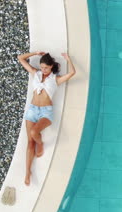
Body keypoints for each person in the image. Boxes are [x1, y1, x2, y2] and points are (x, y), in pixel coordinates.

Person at [17, 51, 76, 186]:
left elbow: (72, 73)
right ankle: (28, 172)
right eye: (42, 67)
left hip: (45, 112)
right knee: (30, 142)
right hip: (32, 110)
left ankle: (41, 143)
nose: (43, 70)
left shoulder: (55, 79)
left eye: (46, 68)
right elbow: (20, 58)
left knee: (34, 133)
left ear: (51, 67)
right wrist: (36, 53)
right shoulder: (36, 74)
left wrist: (68, 59)